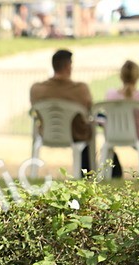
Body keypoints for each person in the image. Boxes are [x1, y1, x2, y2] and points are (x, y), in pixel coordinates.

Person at [30, 49, 94, 177]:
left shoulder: (37, 89)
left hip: (46, 133)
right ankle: (88, 173)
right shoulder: (80, 89)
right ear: (68, 66)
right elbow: (89, 110)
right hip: (76, 135)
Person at [102, 60, 139, 176]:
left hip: (115, 135)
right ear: (138, 76)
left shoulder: (111, 95)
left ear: (121, 76)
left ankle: (116, 172)